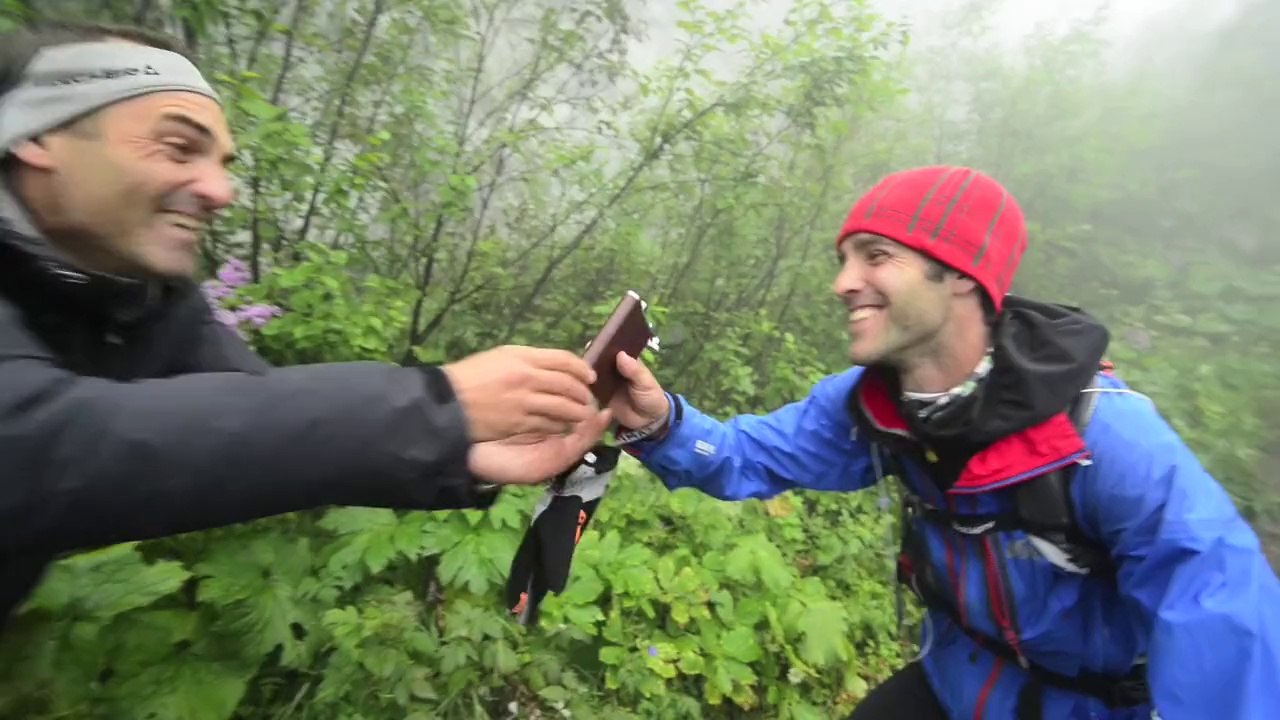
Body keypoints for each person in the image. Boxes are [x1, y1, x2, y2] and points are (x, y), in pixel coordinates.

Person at [606, 165, 1280, 719]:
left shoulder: (1104, 436)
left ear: (960, 272)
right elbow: (746, 456)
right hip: (960, 682)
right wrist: (658, 419)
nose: (843, 283)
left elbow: (1225, 624)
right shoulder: (871, 402)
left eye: (876, 257)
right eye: (843, 260)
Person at [0, 21, 611, 626]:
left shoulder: (143, 299)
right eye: (178, 148)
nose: (221, 190)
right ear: (38, 136)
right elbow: (37, 450)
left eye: (221, 161)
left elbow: (268, 428)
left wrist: (465, 449)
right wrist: (443, 405)